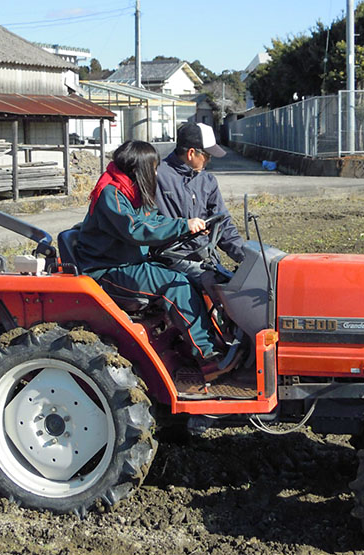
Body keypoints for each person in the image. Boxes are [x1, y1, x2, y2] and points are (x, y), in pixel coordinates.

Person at [76, 139, 239, 379]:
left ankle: (206, 343)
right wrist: (183, 224)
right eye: (152, 167)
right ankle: (208, 359)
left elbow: (153, 219)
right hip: (107, 268)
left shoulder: (130, 190)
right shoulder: (111, 194)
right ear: (138, 168)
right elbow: (136, 229)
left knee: (196, 277)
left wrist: (186, 227)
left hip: (130, 260)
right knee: (175, 286)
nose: (155, 172)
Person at [155, 122, 247, 285]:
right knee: (215, 287)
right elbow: (147, 223)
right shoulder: (157, 177)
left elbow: (223, 222)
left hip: (206, 258)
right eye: (207, 155)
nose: (209, 160)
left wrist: (245, 257)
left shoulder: (207, 181)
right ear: (191, 153)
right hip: (173, 259)